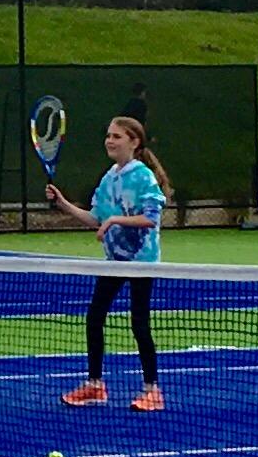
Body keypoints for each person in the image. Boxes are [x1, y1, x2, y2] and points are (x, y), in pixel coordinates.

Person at [50, 112, 171, 411]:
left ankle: (152, 390)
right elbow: (95, 218)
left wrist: (115, 219)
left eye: (116, 136)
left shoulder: (143, 176)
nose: (110, 141)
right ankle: (95, 385)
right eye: (108, 136)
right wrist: (63, 204)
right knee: (94, 317)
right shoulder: (109, 178)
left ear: (134, 141)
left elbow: (150, 220)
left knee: (139, 324)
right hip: (114, 261)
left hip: (141, 260)